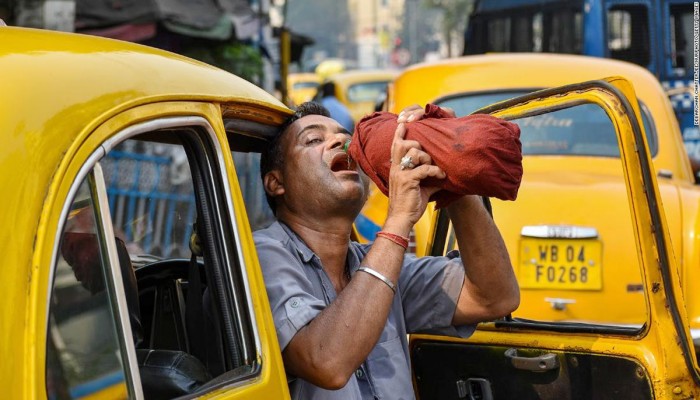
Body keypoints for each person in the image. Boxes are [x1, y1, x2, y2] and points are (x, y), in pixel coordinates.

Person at [255, 102, 520, 399]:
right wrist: (398, 219)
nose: (339, 142)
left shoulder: (379, 263)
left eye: (346, 137)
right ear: (276, 183)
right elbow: (326, 362)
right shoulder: (261, 256)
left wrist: (450, 170)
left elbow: (494, 297)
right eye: (314, 140)